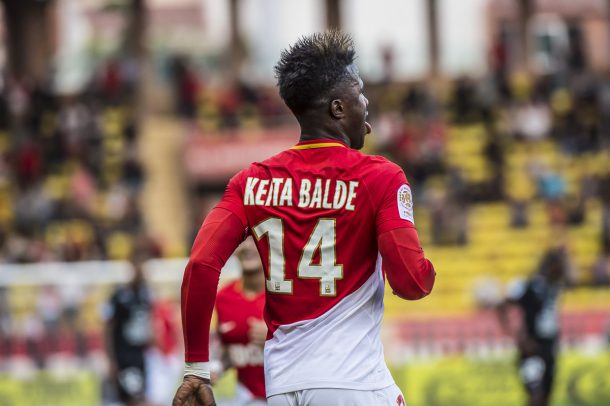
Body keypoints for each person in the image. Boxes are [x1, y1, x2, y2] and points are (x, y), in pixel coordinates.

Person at [173, 31, 436, 406]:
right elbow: (411, 283)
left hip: (281, 386)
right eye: (360, 93)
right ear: (338, 108)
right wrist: (426, 267)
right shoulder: (380, 176)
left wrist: (196, 368)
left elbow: (200, 264)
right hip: (353, 383)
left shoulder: (251, 182)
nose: (366, 104)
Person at [496, 248, 568, 406]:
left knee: (546, 398)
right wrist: (516, 334)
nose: (563, 270)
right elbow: (503, 306)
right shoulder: (529, 285)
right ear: (550, 266)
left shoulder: (556, 286)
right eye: (560, 266)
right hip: (532, 346)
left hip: (549, 348)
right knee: (535, 395)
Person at [212, 237, 266, 405]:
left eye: (255, 239)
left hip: (287, 396)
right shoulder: (223, 298)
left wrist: (276, 336)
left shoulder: (286, 294)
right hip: (246, 397)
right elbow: (228, 351)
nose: (247, 246)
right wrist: (216, 367)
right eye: (242, 240)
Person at [104, 256, 154, 406]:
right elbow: (108, 327)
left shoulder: (145, 295)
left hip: (140, 355)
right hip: (124, 356)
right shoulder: (119, 296)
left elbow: (147, 324)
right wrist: (111, 359)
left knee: (139, 396)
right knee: (133, 399)